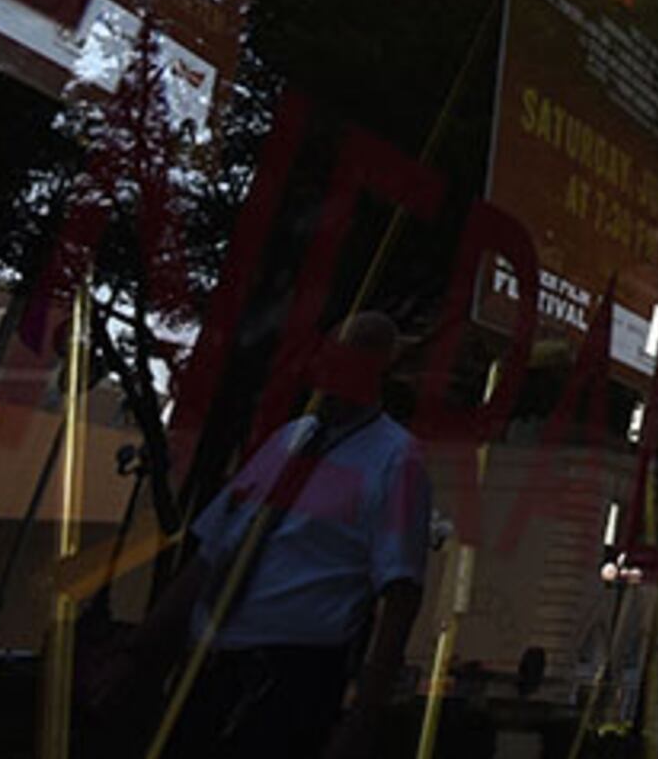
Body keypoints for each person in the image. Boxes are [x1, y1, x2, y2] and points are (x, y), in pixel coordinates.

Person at [128, 312, 435, 759]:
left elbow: (401, 592)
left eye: (351, 364)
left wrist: (363, 716)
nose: (333, 375)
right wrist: (140, 651)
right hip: (211, 665)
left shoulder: (396, 459)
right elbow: (213, 549)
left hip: (291, 674)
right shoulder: (290, 440)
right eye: (330, 360)